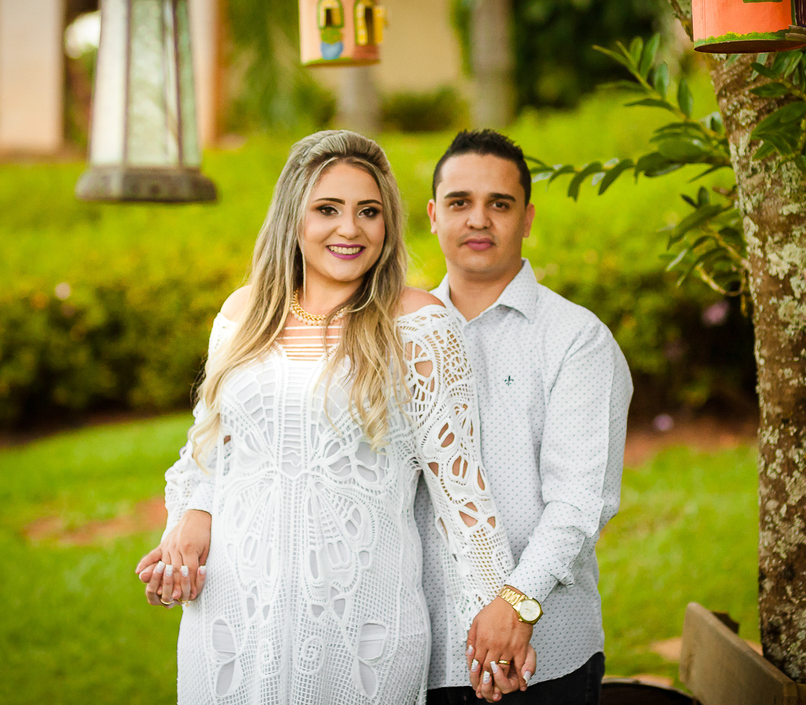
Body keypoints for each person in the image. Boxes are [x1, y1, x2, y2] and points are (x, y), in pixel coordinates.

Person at [133, 130, 535, 704]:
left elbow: (463, 498)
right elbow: (208, 452)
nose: (350, 229)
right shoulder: (243, 312)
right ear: (293, 218)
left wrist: (504, 611)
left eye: (368, 212)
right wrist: (190, 523)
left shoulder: (419, 325)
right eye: (328, 209)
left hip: (362, 629)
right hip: (232, 619)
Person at [421, 130, 632, 704]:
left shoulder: (577, 340)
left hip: (546, 659)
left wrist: (515, 605)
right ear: (434, 216)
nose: (478, 219)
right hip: (421, 657)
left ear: (528, 218)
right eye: (460, 203)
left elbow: (581, 501)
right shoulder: (399, 336)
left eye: (500, 204)